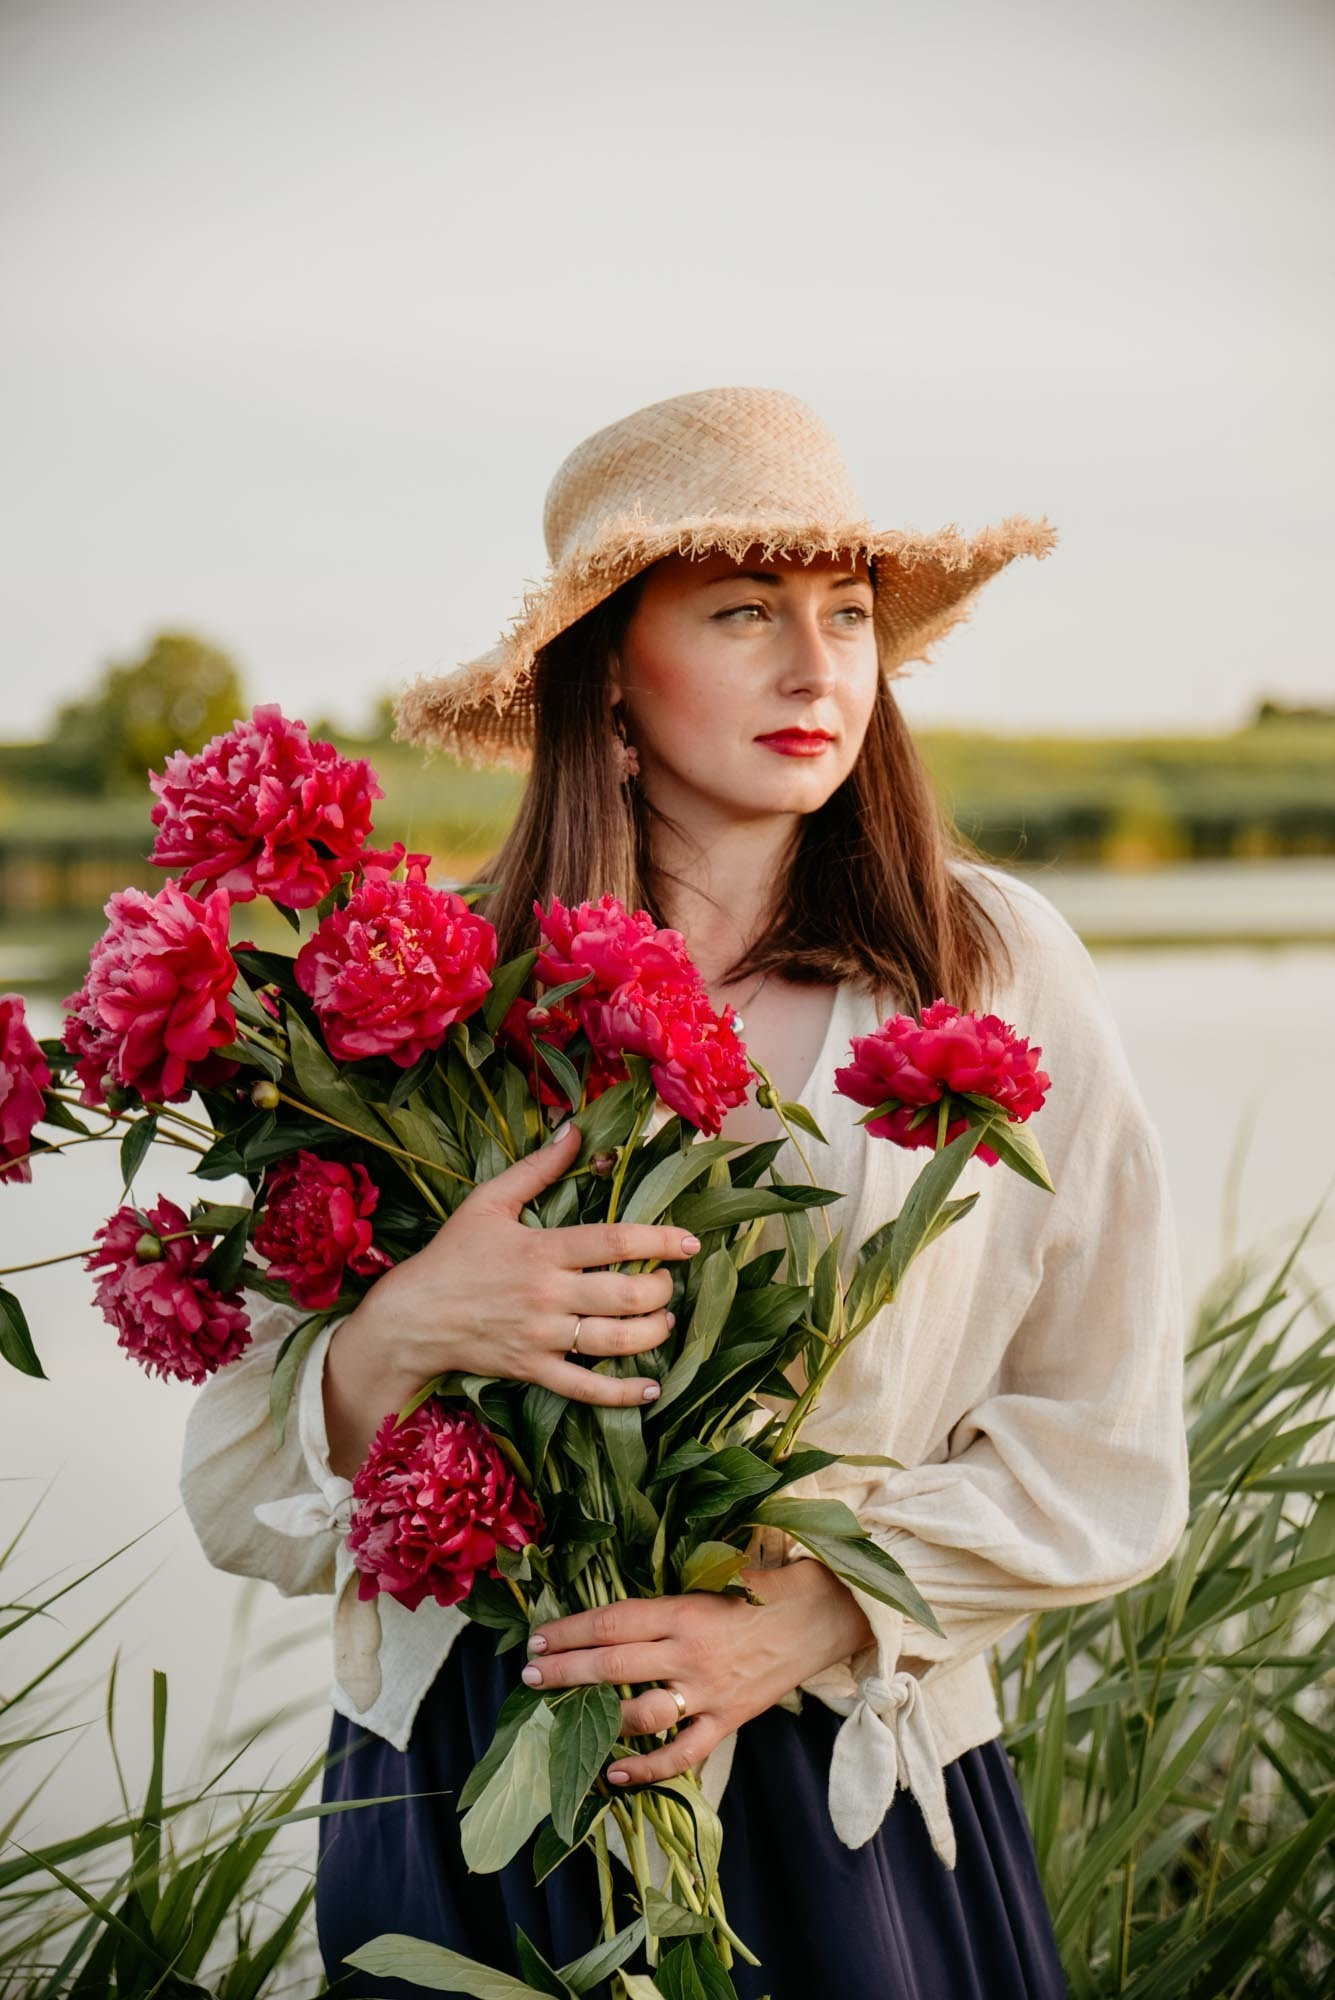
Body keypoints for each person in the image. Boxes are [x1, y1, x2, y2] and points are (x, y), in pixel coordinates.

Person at [180, 386, 1191, 1998]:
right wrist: (411, 1324)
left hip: (842, 1777)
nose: (819, 668)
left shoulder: (990, 964)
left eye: (847, 616)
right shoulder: (423, 997)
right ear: (612, 682)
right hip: (476, 1789)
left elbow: (1107, 1447)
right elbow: (246, 1502)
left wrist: (799, 1625)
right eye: (743, 613)